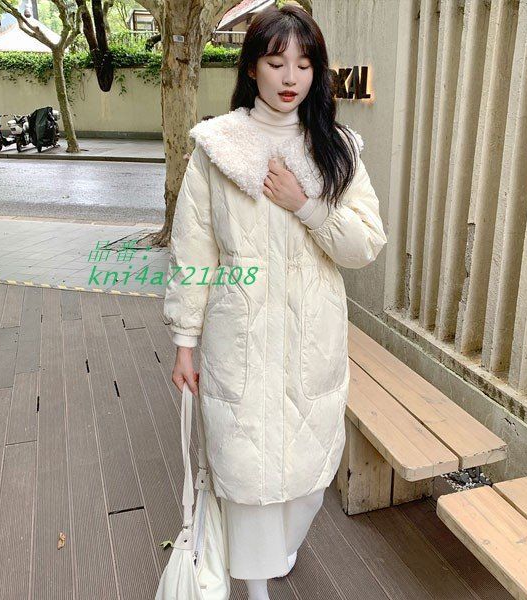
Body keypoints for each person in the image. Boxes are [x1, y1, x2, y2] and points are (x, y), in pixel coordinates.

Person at [163, 5, 388, 599]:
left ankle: (278, 552)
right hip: (240, 336)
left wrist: (307, 205)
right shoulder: (218, 148)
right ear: (252, 68)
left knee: (307, 479)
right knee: (247, 472)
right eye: (276, 61)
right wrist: (185, 341)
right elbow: (194, 250)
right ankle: (257, 586)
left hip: (312, 337)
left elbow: (366, 244)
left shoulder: (336, 148)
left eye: (304, 64)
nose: (291, 77)